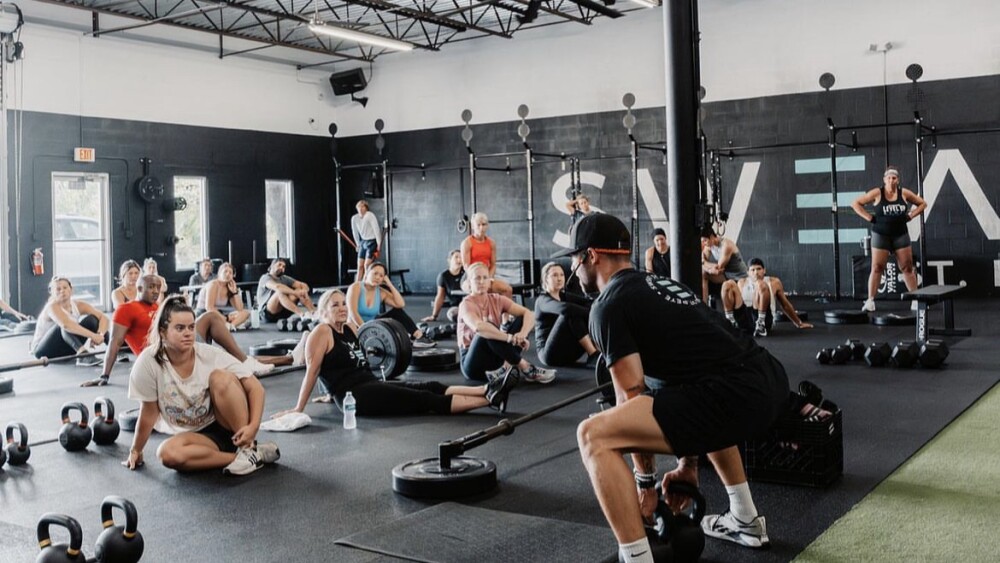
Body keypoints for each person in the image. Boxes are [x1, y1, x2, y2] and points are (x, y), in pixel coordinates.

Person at [560, 214, 789, 562]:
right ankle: (745, 519)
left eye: (575, 259)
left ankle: (637, 559)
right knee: (708, 396)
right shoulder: (659, 286)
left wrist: (646, 485)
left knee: (594, 436)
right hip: (769, 381)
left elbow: (630, 398)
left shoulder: (607, 306)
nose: (574, 269)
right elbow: (688, 383)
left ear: (591, 255)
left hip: (737, 392)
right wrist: (688, 466)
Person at [272, 289, 516, 419]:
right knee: (423, 401)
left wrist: (327, 393)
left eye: (344, 304)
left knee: (429, 385)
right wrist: (298, 408)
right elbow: (312, 371)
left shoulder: (348, 329)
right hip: (357, 397)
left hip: (370, 383)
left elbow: (345, 362)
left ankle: (487, 389)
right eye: (335, 305)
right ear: (323, 310)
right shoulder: (321, 333)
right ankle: (490, 400)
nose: (342, 308)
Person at [123, 296, 280, 476]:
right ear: (163, 332)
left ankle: (247, 448)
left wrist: (253, 427)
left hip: (227, 423)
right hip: (199, 437)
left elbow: (255, 387)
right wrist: (136, 450)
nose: (188, 333)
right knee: (167, 454)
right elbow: (149, 412)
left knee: (220, 378)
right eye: (180, 328)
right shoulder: (148, 363)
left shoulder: (210, 355)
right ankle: (249, 457)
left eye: (191, 327)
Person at [83, 277, 289, 387]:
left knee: (215, 324)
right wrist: (104, 375)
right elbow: (115, 343)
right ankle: (248, 363)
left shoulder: (157, 307)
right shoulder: (125, 309)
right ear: (139, 289)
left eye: (158, 287)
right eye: (151, 287)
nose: (156, 291)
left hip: (179, 344)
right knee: (212, 319)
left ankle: (288, 359)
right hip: (162, 356)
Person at [458, 262, 555, 385]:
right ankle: (525, 367)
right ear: (469, 283)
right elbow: (479, 327)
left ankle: (505, 367)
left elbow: (529, 314)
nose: (482, 282)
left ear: (490, 281)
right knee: (487, 329)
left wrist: (522, 334)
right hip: (473, 365)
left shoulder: (496, 299)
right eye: (477, 278)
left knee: (521, 319)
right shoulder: (466, 304)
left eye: (485, 278)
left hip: (495, 359)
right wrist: (510, 338)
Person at [850, 165, 927, 312]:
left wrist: (910, 215)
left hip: (900, 235)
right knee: (877, 267)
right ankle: (870, 301)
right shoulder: (877, 193)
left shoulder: (903, 193)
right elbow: (855, 203)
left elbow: (923, 204)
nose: (891, 180)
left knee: (907, 268)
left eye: (894, 178)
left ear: (897, 180)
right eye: (889, 178)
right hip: (881, 235)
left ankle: (916, 300)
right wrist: (869, 217)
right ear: (884, 180)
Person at [346, 262, 435, 348]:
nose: (377, 277)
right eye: (375, 273)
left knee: (397, 312)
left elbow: (400, 304)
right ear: (367, 273)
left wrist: (389, 283)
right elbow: (353, 313)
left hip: (372, 325)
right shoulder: (356, 287)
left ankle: (419, 337)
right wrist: (367, 331)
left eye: (381, 276)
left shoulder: (381, 292)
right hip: (355, 327)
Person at [722, 258, 813, 336]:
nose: (756, 272)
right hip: (745, 321)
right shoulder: (742, 282)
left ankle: (760, 325)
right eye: (752, 270)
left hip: (764, 320)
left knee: (760, 284)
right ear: (748, 272)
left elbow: (785, 304)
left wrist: (798, 323)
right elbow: (737, 305)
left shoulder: (774, 282)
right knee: (728, 284)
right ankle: (730, 322)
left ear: (764, 270)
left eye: (759, 269)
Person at [30, 276, 109, 366]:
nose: (62, 291)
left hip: (67, 347)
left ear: (71, 290)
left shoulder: (78, 305)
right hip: (44, 350)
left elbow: (103, 317)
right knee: (65, 326)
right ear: (52, 293)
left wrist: (100, 334)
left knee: (93, 320)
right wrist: (93, 336)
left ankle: (115, 349)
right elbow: (66, 325)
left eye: (65, 287)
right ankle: (83, 356)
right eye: (58, 289)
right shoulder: (51, 306)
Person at [533, 262, 598, 367]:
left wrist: (596, 310)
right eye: (555, 275)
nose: (559, 278)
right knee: (570, 313)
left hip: (566, 352)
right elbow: (565, 309)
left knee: (580, 310)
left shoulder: (563, 296)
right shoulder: (542, 300)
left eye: (561, 275)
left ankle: (599, 352)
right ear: (545, 279)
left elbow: (588, 302)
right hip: (548, 354)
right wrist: (591, 313)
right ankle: (593, 355)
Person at [460, 212, 514, 299]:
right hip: (470, 277)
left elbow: (493, 265)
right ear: (473, 226)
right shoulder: (467, 243)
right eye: (478, 225)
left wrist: (488, 278)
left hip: (486, 276)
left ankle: (505, 313)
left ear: (487, 225)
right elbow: (466, 266)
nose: (481, 228)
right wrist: (477, 279)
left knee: (507, 289)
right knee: (478, 290)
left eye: (484, 224)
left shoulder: (491, 243)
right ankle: (471, 311)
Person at [256, 258, 315, 323]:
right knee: (279, 292)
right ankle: (302, 315)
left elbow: (303, 285)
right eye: (279, 265)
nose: (281, 267)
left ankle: (313, 313)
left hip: (282, 312)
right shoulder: (265, 277)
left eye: (283, 266)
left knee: (300, 290)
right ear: (272, 266)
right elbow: (277, 287)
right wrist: (295, 293)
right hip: (267, 314)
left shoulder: (284, 278)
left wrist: (303, 291)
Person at [700, 226, 748, 303]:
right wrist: (707, 267)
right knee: (703, 273)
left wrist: (705, 264)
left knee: (705, 270)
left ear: (712, 237)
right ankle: (704, 305)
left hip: (739, 277)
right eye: (702, 241)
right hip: (727, 275)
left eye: (705, 240)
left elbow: (718, 269)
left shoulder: (726, 246)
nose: (704, 244)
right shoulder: (709, 245)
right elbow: (702, 260)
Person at [197, 262, 251, 330]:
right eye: (225, 271)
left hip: (218, 314)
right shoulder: (213, 284)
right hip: (205, 314)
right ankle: (229, 326)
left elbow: (240, 308)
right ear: (219, 273)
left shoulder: (229, 287)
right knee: (227, 317)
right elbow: (209, 307)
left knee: (245, 313)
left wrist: (235, 292)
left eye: (230, 273)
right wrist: (226, 318)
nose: (228, 274)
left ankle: (230, 326)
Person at [422, 250, 464, 323]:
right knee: (451, 314)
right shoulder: (443, 276)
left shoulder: (467, 273)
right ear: (449, 260)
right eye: (456, 257)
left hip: (469, 305)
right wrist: (434, 316)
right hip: (457, 307)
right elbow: (440, 297)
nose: (459, 260)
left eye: (461, 257)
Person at [351, 199, 382, 282]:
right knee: (360, 265)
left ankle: (365, 283)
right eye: (359, 207)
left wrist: (379, 244)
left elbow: (376, 229)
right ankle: (357, 285)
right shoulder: (354, 218)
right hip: (363, 242)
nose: (360, 209)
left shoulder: (369, 215)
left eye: (362, 207)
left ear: (366, 208)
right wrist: (357, 244)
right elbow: (355, 232)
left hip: (372, 242)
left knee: (367, 265)